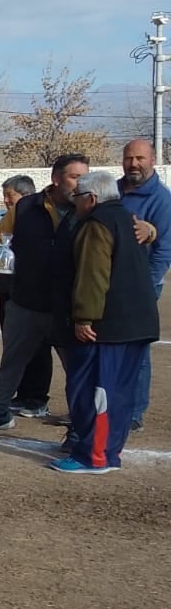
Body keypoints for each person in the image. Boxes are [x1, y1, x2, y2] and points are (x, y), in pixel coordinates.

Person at [0, 157, 88, 435]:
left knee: (78, 369)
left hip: (67, 306)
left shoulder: (88, 207)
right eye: (75, 177)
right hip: (26, 301)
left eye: (84, 176)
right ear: (56, 179)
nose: (81, 183)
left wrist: (150, 231)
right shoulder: (25, 207)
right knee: (11, 362)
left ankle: (80, 428)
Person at [51, 170, 160, 473]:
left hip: (107, 327)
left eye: (79, 198)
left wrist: (84, 317)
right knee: (120, 392)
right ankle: (108, 452)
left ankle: (93, 456)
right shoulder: (130, 220)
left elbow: (93, 274)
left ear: (92, 198)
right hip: (137, 323)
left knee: (94, 389)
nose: (76, 203)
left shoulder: (97, 224)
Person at [0, 174, 50, 419]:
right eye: (5, 197)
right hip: (10, 289)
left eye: (10, 196)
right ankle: (21, 394)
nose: (6, 201)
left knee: (39, 346)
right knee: (14, 345)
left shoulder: (41, 216)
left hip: (35, 292)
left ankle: (37, 398)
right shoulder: (11, 218)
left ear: (26, 195)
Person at [118, 139, 171, 431]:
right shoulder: (113, 190)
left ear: (152, 160)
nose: (133, 164)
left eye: (140, 158)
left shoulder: (162, 200)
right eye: (129, 158)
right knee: (109, 348)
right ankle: (106, 406)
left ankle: (134, 412)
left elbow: (164, 252)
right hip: (111, 285)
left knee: (136, 350)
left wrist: (146, 290)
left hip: (141, 288)